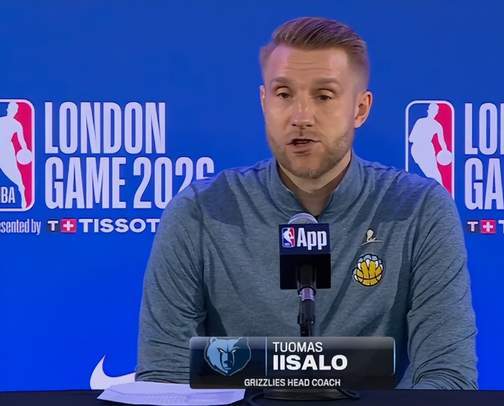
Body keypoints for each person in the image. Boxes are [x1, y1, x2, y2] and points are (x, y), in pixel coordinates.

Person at [136, 16, 477, 390]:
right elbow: (163, 377)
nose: (301, 117)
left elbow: (447, 377)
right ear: (264, 102)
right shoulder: (200, 211)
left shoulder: (418, 209)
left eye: (324, 96)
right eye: (284, 94)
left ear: (360, 109)